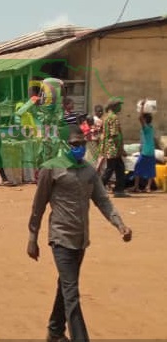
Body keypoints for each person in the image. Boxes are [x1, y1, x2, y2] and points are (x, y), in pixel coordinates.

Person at [28, 124, 132, 342]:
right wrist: (32, 238)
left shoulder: (89, 171)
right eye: (75, 145)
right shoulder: (52, 169)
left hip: (81, 239)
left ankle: (55, 331)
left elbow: (102, 200)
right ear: (65, 145)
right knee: (72, 292)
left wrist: (119, 225)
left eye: (82, 144)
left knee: (66, 286)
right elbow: (38, 206)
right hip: (60, 238)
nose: (80, 149)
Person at [99, 97, 128, 197]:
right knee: (110, 169)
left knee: (119, 168)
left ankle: (119, 189)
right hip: (114, 148)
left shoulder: (106, 117)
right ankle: (99, 188)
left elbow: (102, 132)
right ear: (115, 106)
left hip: (108, 147)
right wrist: (121, 149)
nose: (121, 107)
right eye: (119, 105)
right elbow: (115, 134)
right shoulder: (114, 118)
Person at [131, 100, 156, 193]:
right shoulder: (151, 127)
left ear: (145, 120)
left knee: (137, 168)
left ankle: (136, 187)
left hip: (145, 151)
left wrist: (141, 107)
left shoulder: (145, 128)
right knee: (150, 170)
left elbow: (140, 118)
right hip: (151, 151)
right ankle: (148, 187)